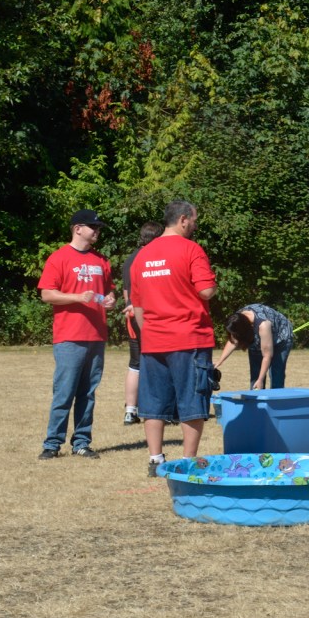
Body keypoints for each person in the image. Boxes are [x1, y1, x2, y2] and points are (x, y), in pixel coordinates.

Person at [130, 200, 217, 477]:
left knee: (153, 403)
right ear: (182, 220)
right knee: (193, 401)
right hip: (189, 337)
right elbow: (206, 292)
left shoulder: (142, 256)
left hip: (153, 340)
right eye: (194, 220)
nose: (195, 225)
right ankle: (188, 462)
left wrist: (151, 334)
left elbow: (139, 307)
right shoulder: (192, 249)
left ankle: (155, 460)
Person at [37, 209, 116, 460]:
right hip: (69, 336)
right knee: (64, 392)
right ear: (78, 228)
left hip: (96, 335)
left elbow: (109, 291)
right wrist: (76, 297)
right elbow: (47, 294)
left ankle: (81, 442)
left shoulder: (101, 260)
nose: (97, 231)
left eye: (98, 227)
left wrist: (111, 299)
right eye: (93, 227)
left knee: (88, 393)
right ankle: (52, 444)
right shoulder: (58, 258)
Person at [121, 221, 164, 424]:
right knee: (160, 362)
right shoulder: (154, 257)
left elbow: (126, 292)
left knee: (135, 363)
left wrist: (130, 305)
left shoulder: (129, 260)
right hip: (152, 315)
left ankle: (130, 411)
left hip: (132, 315)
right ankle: (161, 409)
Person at [214, 304, 294, 389]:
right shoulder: (238, 319)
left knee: (276, 375)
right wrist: (220, 361)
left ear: (244, 331)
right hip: (256, 338)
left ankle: (276, 400)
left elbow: (267, 356)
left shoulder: (263, 325)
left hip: (281, 338)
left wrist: (260, 379)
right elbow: (233, 341)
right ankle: (256, 399)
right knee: (255, 375)